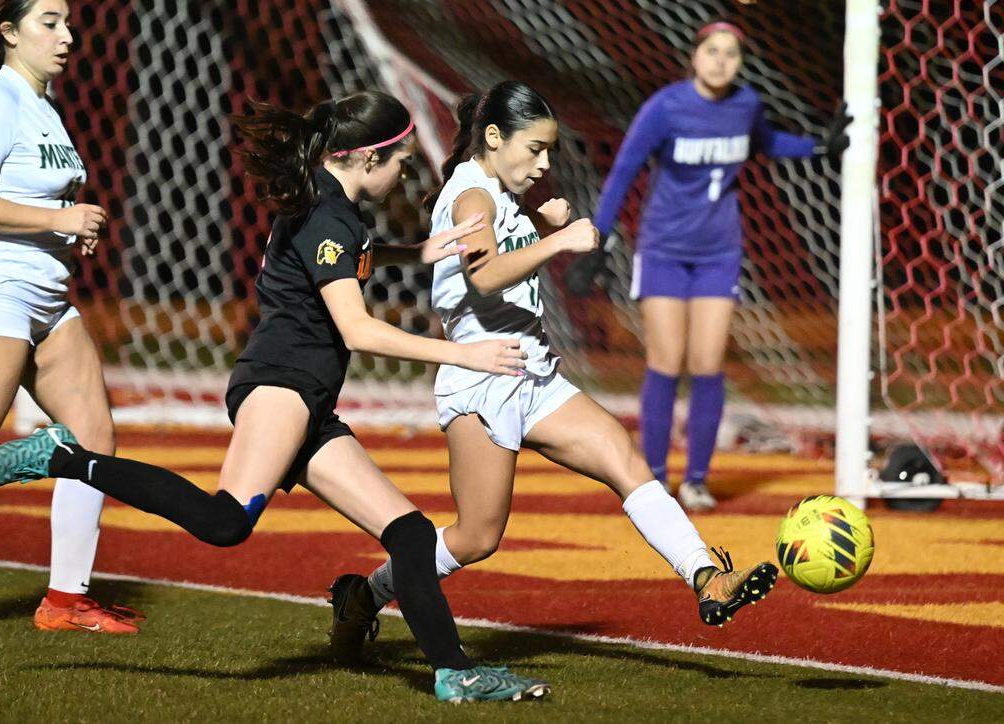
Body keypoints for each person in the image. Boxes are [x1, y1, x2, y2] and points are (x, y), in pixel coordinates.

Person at [0, 89, 552, 703]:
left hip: (306, 397)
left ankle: (454, 674)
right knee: (225, 523)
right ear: (363, 158)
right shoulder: (329, 216)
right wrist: (464, 353)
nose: (405, 170)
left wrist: (412, 253)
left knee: (410, 535)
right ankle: (62, 458)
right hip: (281, 385)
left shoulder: (328, 208)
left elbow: (335, 261)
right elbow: (357, 328)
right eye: (400, 160)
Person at [327, 81, 779, 661]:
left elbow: (499, 259)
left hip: (535, 377)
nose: (543, 164)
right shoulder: (472, 196)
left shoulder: (499, 189)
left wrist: (538, 225)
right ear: (494, 138)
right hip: (482, 381)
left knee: (626, 459)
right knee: (477, 536)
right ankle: (365, 594)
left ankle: (705, 578)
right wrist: (559, 240)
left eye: (548, 152)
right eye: (534, 149)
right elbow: (485, 275)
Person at [567, 20, 851, 511]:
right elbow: (623, 172)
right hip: (663, 251)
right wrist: (598, 242)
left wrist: (818, 145)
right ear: (695, 57)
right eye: (712, 51)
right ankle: (651, 480)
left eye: (732, 54)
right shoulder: (666, 107)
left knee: (707, 364)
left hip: (719, 253)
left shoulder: (745, 106)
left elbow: (768, 142)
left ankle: (696, 479)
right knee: (665, 361)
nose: (721, 61)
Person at [0, 0, 140, 633]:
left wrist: (74, 227)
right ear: (9, 32)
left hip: (46, 294)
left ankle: (66, 602)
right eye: (49, 22)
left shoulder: (43, 107)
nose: (67, 36)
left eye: (69, 23)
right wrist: (59, 219)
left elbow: (34, 197)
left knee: (95, 436)